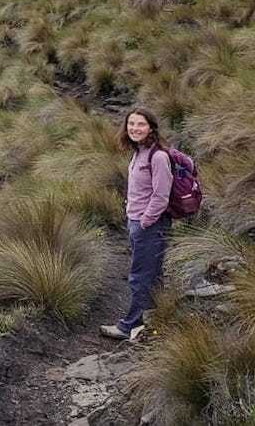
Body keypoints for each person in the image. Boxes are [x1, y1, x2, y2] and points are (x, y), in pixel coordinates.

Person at [100, 106, 173, 340]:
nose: (134, 128)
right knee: (151, 274)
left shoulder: (158, 156)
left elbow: (161, 196)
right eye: (131, 124)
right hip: (137, 222)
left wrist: (144, 222)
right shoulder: (139, 152)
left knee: (140, 275)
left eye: (140, 124)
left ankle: (128, 326)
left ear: (151, 127)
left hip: (150, 226)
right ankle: (155, 318)